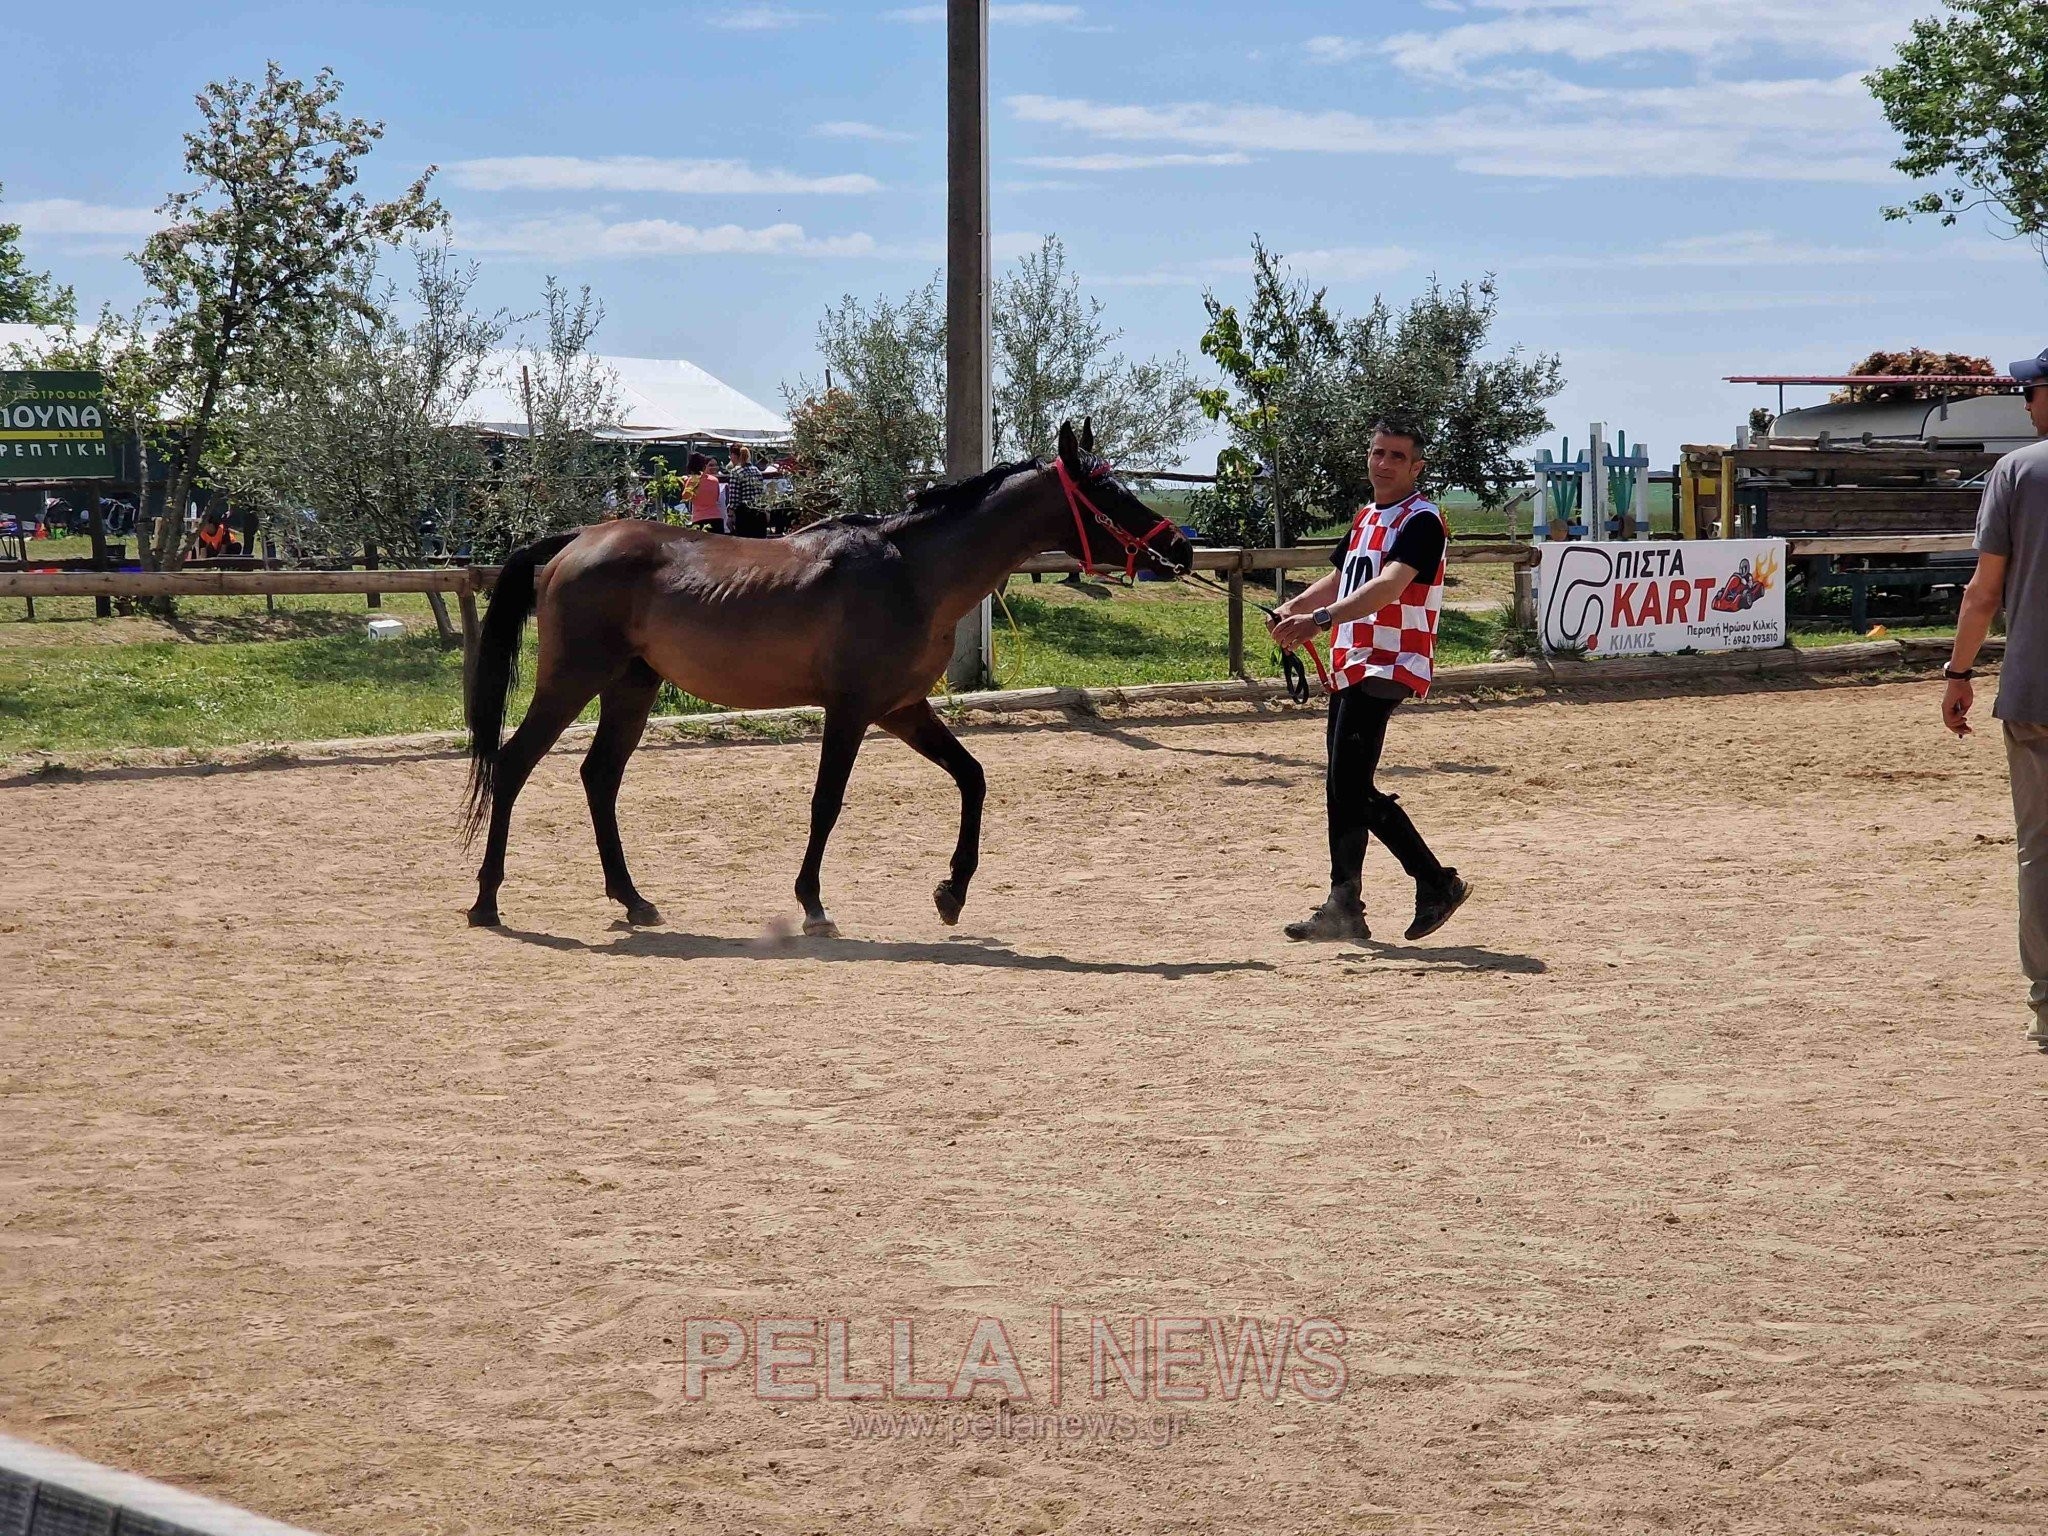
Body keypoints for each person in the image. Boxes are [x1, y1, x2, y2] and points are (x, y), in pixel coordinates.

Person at [1268, 418, 1472, 945]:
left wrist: (1316, 621)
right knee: (1344, 784)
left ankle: (1430, 882)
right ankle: (1352, 904)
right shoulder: (1367, 518)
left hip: (1391, 661)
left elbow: (1387, 587)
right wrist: (1294, 606)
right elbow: (1344, 577)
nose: (1383, 463)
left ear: (1416, 467)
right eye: (1378, 452)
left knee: (1348, 784)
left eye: (1397, 456)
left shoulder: (1422, 521)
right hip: (1353, 661)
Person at [1943, 344, 2048, 1051]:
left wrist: (1958, 672)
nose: (2025, 404)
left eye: (2030, 392)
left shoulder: (2018, 472)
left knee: (2040, 849)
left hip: (2037, 687)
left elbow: (1984, 591)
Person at [726, 444, 768, 537]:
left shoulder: (735, 472)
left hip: (744, 514)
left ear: (734, 455)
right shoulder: (757, 471)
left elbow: (734, 498)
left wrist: (730, 516)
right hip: (759, 512)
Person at [686, 452, 725, 532]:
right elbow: (716, 498)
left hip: (699, 519)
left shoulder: (692, 481)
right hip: (717, 519)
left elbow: (686, 497)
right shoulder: (715, 480)